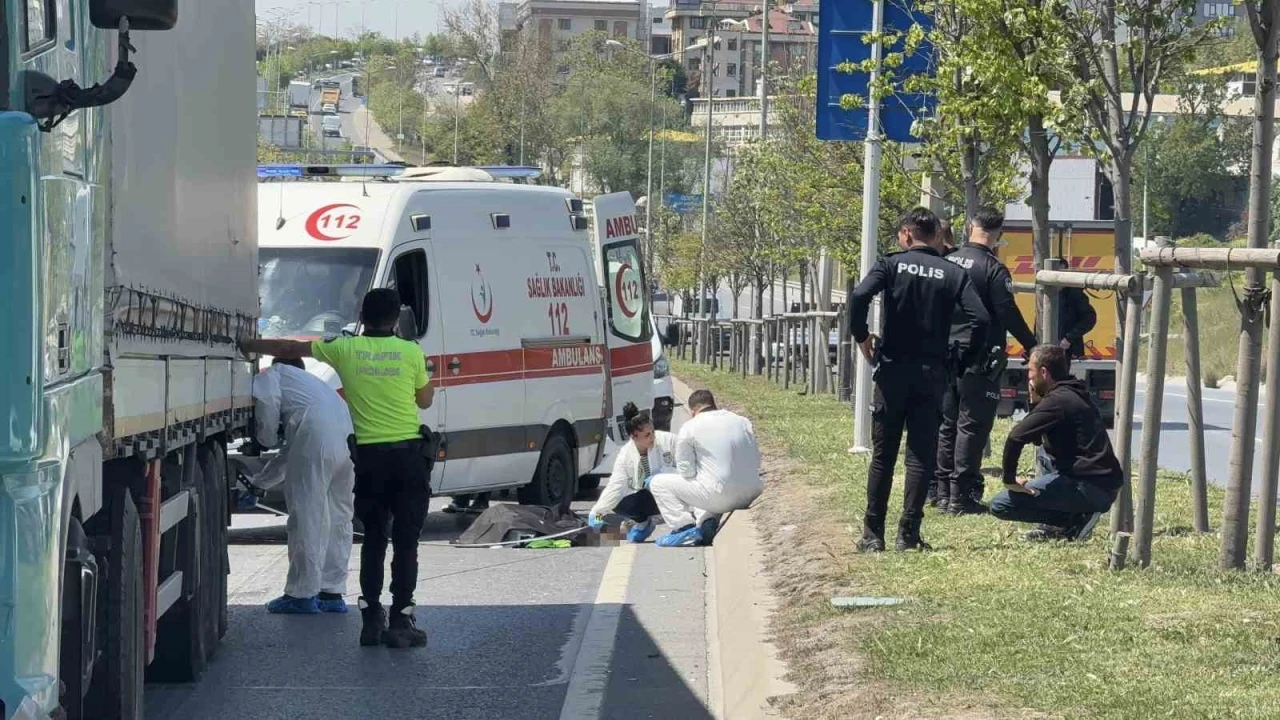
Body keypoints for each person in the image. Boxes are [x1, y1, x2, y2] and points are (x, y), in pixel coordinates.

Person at [241, 288, 434, 650]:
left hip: (370, 457)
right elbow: (425, 399)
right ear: (397, 319)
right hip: (406, 456)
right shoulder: (411, 352)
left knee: (371, 537)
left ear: (361, 317)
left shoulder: (343, 349)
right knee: (402, 540)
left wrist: (248, 344)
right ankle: (395, 618)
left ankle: (367, 618)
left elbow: (288, 349)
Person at [847, 207, 990, 552]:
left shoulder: (891, 264)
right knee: (920, 456)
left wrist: (862, 335)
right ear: (937, 236)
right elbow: (981, 319)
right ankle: (908, 534)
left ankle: (872, 534)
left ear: (907, 234)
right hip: (932, 374)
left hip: (893, 371)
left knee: (884, 455)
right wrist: (963, 358)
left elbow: (859, 296)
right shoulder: (952, 272)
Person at [933, 206, 1039, 515]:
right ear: (998, 235)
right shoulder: (993, 268)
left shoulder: (947, 262)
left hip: (945, 355)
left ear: (969, 227)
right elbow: (1007, 312)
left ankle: (942, 492)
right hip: (980, 357)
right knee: (973, 425)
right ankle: (961, 497)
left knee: (947, 424)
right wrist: (1032, 345)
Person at [250, 358, 356, 615]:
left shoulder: (274, 374)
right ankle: (331, 593)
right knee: (339, 518)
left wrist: (266, 438)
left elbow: (267, 403)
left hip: (316, 445)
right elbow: (291, 453)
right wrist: (259, 484)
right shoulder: (318, 388)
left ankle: (301, 594)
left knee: (308, 517)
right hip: (347, 447)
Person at [989, 344, 1122, 541]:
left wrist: (1010, 481)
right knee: (1044, 453)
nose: (1028, 377)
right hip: (1102, 482)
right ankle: (1068, 519)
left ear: (1044, 372)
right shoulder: (1073, 391)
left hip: (1090, 487)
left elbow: (1016, 437)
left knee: (1000, 504)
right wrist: (1035, 402)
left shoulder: (1058, 401)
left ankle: (1074, 521)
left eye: (1031, 371)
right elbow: (1036, 439)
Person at [648, 390, 762, 547]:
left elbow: (686, 471)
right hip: (752, 492)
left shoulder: (690, 427)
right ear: (713, 404)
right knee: (707, 479)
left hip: (722, 496)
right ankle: (706, 521)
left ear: (693, 411)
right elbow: (756, 458)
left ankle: (684, 527)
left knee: (658, 482)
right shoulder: (742, 421)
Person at [586, 402, 677, 543]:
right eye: (647, 435)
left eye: (653, 432)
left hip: (674, 491)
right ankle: (643, 523)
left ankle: (685, 525)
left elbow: (686, 463)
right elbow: (615, 487)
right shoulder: (625, 456)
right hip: (650, 497)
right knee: (619, 503)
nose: (652, 437)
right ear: (633, 436)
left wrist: (662, 477)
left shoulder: (668, 440)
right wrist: (596, 514)